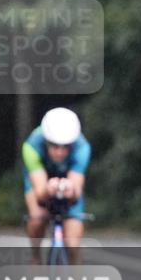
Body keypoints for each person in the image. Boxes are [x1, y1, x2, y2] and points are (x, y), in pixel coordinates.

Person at [22, 107, 91, 264]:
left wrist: (71, 190)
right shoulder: (31, 146)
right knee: (37, 218)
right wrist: (48, 189)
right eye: (54, 145)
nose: (60, 152)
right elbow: (39, 192)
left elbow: (76, 193)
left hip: (69, 181)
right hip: (40, 179)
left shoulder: (82, 148)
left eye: (66, 146)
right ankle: (35, 256)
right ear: (46, 141)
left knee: (73, 243)